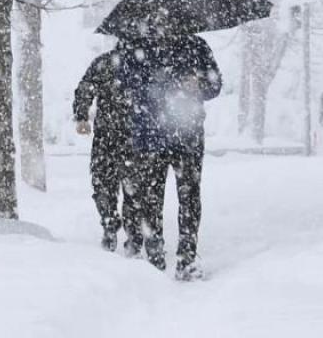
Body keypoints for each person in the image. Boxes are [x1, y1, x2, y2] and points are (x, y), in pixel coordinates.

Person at [117, 33, 221, 281]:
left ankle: (187, 258)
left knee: (189, 197)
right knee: (152, 199)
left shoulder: (196, 46)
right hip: (151, 136)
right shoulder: (137, 47)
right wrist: (158, 85)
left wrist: (199, 85)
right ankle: (155, 258)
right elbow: (124, 84)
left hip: (188, 137)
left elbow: (215, 86)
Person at [72, 47, 140, 254]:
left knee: (107, 185)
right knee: (127, 187)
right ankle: (125, 231)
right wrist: (82, 115)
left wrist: (82, 114)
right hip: (127, 137)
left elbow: (85, 87)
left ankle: (115, 226)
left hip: (114, 136)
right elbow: (86, 87)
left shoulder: (107, 61)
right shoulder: (139, 62)